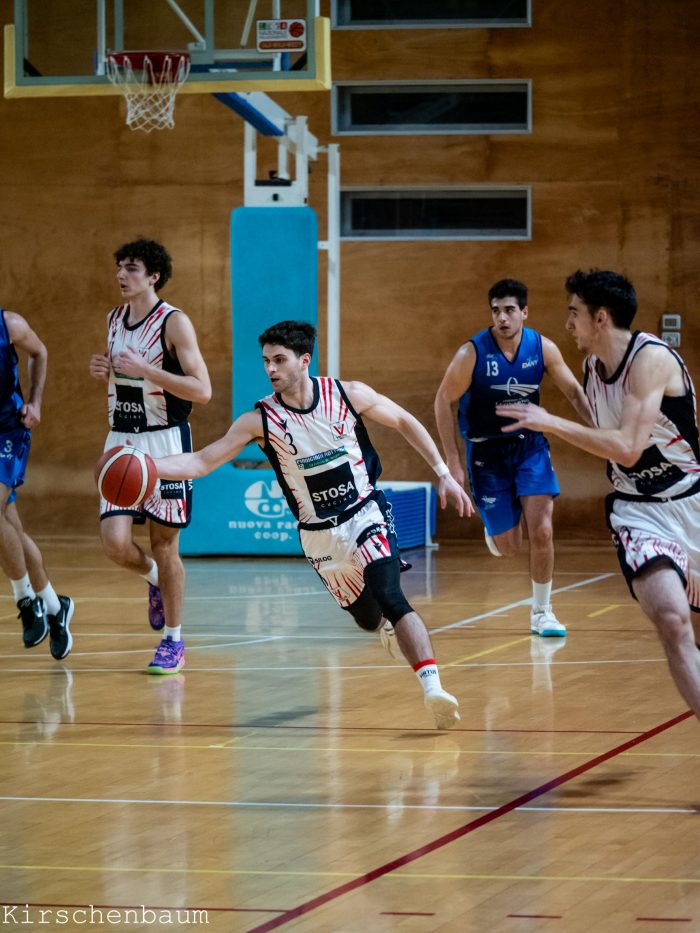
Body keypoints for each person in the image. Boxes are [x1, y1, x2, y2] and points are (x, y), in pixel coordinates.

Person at [151, 320, 474, 729]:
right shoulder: (260, 420)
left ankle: (433, 689)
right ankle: (384, 626)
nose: (271, 369)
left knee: (391, 594)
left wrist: (444, 472)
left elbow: (406, 421)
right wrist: (148, 467)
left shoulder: (346, 395)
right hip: (319, 536)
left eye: (280, 360)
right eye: (267, 361)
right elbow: (202, 461)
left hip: (365, 514)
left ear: (305, 360)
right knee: (367, 617)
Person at [497, 269, 700, 722]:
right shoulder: (592, 368)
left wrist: (547, 421)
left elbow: (627, 448)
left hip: (692, 500)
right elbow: (606, 442)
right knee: (672, 620)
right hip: (639, 512)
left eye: (574, 313)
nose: (568, 323)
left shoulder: (651, 360)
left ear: (600, 318)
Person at [434, 278, 592, 638]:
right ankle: (500, 527)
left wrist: (603, 434)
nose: (502, 318)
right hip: (485, 452)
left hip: (529, 447)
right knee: (509, 547)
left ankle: (542, 612)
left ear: (524, 312)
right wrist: (452, 464)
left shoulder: (543, 348)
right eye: (496, 311)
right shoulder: (472, 353)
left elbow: (574, 392)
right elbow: (443, 402)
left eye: (509, 310)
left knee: (544, 530)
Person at [89, 238, 211, 675]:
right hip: (120, 441)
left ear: (153, 275)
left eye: (133, 267)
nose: (122, 274)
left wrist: (149, 371)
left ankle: (173, 641)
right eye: (120, 266)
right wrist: (104, 368)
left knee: (165, 545)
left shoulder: (174, 323)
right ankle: (156, 582)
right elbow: (124, 373)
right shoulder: (113, 318)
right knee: (116, 545)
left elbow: (202, 389)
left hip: (166, 443)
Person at [0, 306, 73, 659]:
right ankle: (55, 606)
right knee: (8, 522)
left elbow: (40, 351)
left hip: (9, 430)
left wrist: (35, 401)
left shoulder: (10, 324)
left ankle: (26, 600)